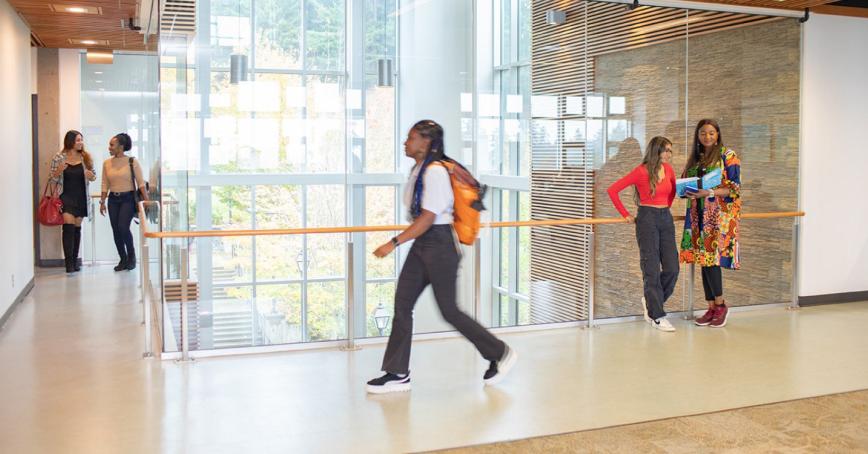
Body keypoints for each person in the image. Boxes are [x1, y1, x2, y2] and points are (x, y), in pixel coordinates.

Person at [366, 120, 517, 394]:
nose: (405, 142)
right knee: (402, 304)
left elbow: (427, 218)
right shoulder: (418, 169)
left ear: (426, 142)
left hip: (439, 244)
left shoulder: (435, 172)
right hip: (424, 243)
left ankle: (500, 352)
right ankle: (397, 373)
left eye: (411, 138)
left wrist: (394, 242)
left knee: (449, 310)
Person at [607, 136, 679, 332]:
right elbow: (613, 190)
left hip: (666, 218)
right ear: (656, 151)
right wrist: (626, 214)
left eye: (670, 150)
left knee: (673, 267)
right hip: (647, 218)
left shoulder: (670, 170)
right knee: (651, 268)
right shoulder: (641, 171)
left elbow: (672, 192)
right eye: (666, 150)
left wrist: (665, 208)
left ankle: (651, 302)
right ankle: (657, 315)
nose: (669, 154)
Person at [680, 119, 741, 328]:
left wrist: (710, 192)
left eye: (712, 133)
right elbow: (685, 183)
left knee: (712, 260)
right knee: (703, 260)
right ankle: (711, 307)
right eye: (703, 133)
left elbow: (734, 188)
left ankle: (721, 305)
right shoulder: (696, 159)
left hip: (719, 217)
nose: (707, 137)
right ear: (698, 136)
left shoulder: (728, 156)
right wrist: (684, 189)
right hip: (697, 216)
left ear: (718, 135)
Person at [99, 133, 149, 271]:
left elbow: (140, 183)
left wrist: (147, 201)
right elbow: (105, 183)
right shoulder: (107, 163)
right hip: (113, 200)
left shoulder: (132, 162)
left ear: (121, 147)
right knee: (116, 230)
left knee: (123, 227)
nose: (109, 147)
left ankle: (132, 257)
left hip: (127, 198)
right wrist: (102, 201)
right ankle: (123, 258)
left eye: (112, 145)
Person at [49, 130, 96, 273]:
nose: (81, 142)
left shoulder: (86, 158)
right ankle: (68, 263)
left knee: (76, 228)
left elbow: (93, 176)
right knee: (68, 227)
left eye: (81, 139)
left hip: (81, 197)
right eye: (77, 140)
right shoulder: (59, 157)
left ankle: (75, 260)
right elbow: (52, 179)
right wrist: (58, 171)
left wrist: (91, 176)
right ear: (70, 142)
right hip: (66, 196)